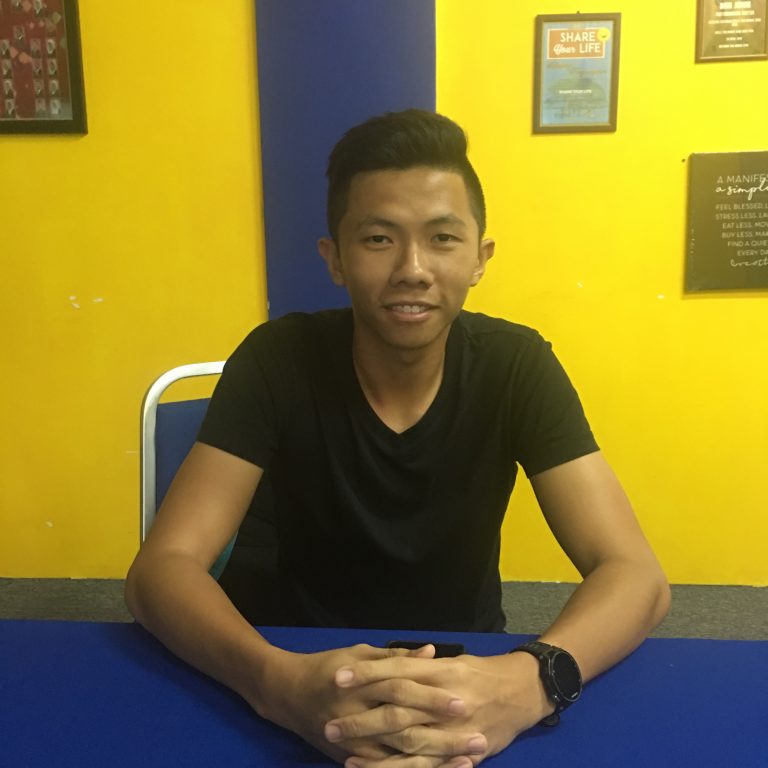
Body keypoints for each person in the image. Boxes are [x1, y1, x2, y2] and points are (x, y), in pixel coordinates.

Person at [126, 109, 670, 768]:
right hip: (301, 659)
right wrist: (274, 683)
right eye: (379, 239)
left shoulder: (516, 366)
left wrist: (529, 682)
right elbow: (161, 569)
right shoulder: (277, 360)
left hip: (468, 673)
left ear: (479, 258)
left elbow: (635, 574)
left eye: (442, 238)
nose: (412, 268)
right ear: (334, 258)